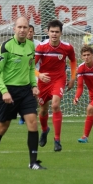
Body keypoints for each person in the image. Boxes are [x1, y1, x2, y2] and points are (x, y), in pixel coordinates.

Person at [0, 16, 46, 170]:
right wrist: (4, 92)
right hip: (8, 91)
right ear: (14, 29)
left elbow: (31, 67)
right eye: (19, 27)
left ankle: (33, 162)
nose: (22, 30)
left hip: (26, 91)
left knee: (32, 122)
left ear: (29, 30)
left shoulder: (31, 46)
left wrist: (34, 85)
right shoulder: (6, 46)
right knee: (3, 126)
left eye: (25, 27)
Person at [35, 19, 76, 152]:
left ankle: (57, 140)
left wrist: (73, 78)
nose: (54, 34)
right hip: (44, 80)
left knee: (55, 105)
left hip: (59, 79)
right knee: (43, 110)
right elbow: (30, 66)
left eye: (56, 32)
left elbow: (73, 60)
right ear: (47, 32)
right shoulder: (41, 47)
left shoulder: (67, 47)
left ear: (61, 33)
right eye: (52, 31)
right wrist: (39, 75)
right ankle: (45, 130)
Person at [18, 24, 41, 125]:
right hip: (24, 73)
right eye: (29, 31)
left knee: (36, 95)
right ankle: (24, 115)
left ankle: (31, 114)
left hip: (37, 73)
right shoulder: (20, 44)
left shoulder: (39, 44)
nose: (30, 33)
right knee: (24, 95)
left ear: (33, 33)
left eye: (31, 31)